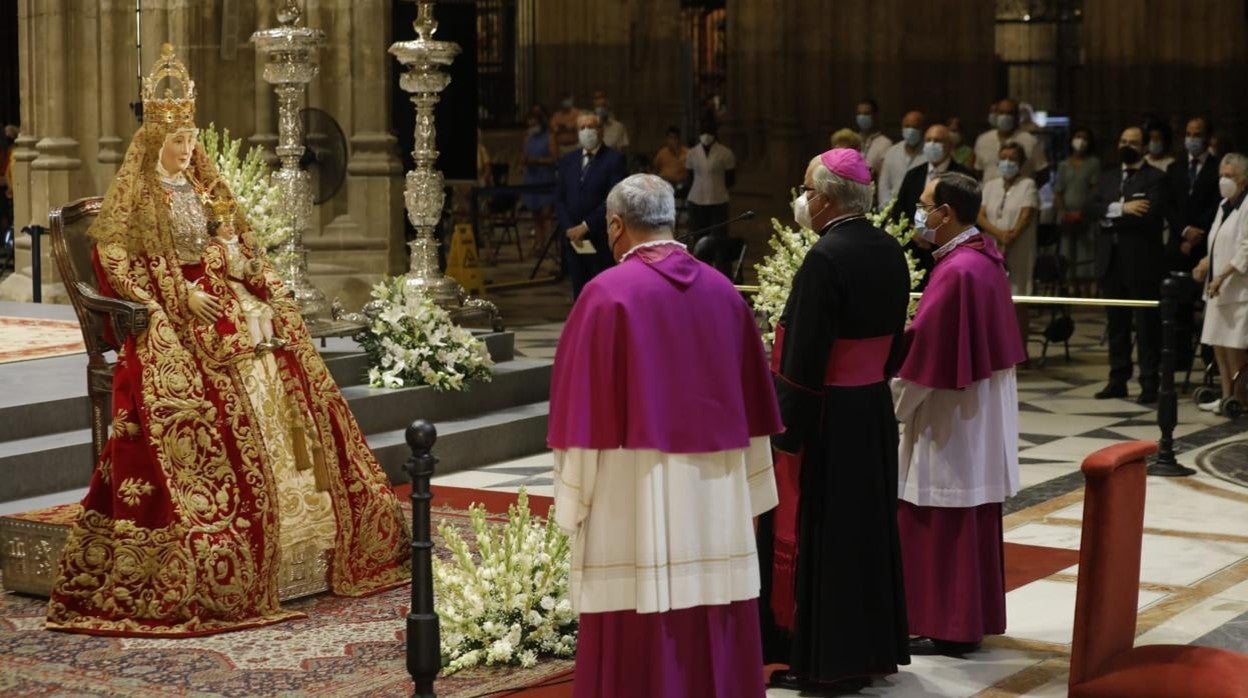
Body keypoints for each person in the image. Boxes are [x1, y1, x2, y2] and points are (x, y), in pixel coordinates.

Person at [46, 45, 410, 637]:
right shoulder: (135, 199)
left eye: (191, 139)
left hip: (221, 300)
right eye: (177, 141)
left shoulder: (200, 187)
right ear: (153, 142)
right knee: (201, 384)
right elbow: (114, 261)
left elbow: (232, 239)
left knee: (282, 351)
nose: (188, 150)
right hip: (171, 313)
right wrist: (175, 297)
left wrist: (236, 266)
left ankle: (311, 529)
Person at [549, 173, 782, 698]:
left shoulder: (605, 295)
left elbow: (582, 416)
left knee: (634, 612)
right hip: (716, 494)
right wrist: (753, 488)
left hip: (631, 493)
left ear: (615, 226)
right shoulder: (724, 293)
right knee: (713, 609)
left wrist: (573, 498)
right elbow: (753, 415)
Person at [758, 148, 911, 693]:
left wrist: (786, 430)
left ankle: (826, 659)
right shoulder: (890, 248)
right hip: (870, 407)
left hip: (828, 414)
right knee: (865, 529)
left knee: (827, 534)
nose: (800, 198)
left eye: (804, 188)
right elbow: (896, 341)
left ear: (824, 199)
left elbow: (803, 355)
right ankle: (867, 651)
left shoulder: (825, 258)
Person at [893, 172, 1026, 657]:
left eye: (925, 205)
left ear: (946, 213)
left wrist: (892, 406)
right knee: (964, 515)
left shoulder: (957, 273)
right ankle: (964, 620)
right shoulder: (982, 260)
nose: (920, 213)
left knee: (940, 516)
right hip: (976, 414)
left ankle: (945, 623)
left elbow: (926, 365)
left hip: (953, 420)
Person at [1085, 126, 1168, 403]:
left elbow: (1149, 214)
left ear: (1144, 146)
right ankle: (1117, 379)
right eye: (1123, 141)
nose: (1127, 145)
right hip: (1111, 260)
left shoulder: (1155, 178)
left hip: (1142, 261)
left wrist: (1111, 214)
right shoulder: (1108, 176)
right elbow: (1091, 207)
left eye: (1133, 141)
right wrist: (1123, 208)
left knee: (1146, 325)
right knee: (1116, 323)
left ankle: (1148, 382)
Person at [196, 185, 283, 360]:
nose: (231, 229)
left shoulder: (237, 246)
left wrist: (253, 266)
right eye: (226, 225)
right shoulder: (214, 248)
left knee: (263, 309)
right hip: (229, 289)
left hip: (242, 287)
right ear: (216, 228)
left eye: (232, 225)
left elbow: (244, 267)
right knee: (251, 313)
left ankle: (270, 339)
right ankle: (258, 344)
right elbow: (212, 273)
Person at [1193, 153, 1248, 414]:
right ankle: (1226, 395)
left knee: (1235, 347)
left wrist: (1222, 276)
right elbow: (1217, 243)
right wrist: (1204, 264)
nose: (1224, 181)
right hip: (1215, 288)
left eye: (1230, 176)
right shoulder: (1224, 204)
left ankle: (1241, 397)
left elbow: (1245, 249)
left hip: (1237, 289)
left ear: (1244, 180)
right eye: (1222, 176)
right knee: (1219, 345)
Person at [890, 124, 975, 289]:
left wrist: (936, 235)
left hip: (951, 251)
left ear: (950, 145)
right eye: (928, 140)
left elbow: (967, 215)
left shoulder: (964, 177)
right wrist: (915, 232)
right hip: (916, 253)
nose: (932, 144)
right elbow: (898, 211)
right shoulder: (913, 174)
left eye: (937, 140)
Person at [554, 111, 628, 298]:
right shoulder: (567, 161)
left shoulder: (614, 159)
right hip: (574, 240)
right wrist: (570, 228)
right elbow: (560, 199)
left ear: (600, 131)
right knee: (579, 291)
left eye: (591, 127)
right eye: (582, 127)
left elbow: (613, 198)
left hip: (600, 237)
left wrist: (585, 226)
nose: (586, 131)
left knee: (603, 290)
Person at [979, 142, 1040, 359]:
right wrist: (999, 235)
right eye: (1003, 157)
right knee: (990, 300)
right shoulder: (990, 185)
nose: (1007, 162)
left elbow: (1027, 214)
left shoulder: (1028, 185)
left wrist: (1010, 237)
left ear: (1021, 163)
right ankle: (993, 352)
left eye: (1012, 159)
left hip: (1020, 248)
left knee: (1018, 300)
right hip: (991, 247)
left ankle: (1020, 353)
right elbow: (980, 215)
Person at [685, 122, 737, 275]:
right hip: (696, 200)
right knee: (699, 239)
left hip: (718, 200)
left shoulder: (725, 153)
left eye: (708, 132)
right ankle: (699, 272)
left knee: (719, 240)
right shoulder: (692, 153)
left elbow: (730, 179)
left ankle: (722, 274)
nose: (706, 136)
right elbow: (689, 177)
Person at [1054, 127, 1102, 287]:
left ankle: (1086, 285)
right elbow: (1058, 191)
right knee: (1067, 249)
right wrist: (1063, 212)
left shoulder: (1093, 163)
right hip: (1066, 214)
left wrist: (1083, 212)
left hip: (1086, 213)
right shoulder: (1064, 164)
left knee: (1086, 250)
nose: (1081, 141)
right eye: (1078, 136)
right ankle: (1069, 283)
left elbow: (1095, 189)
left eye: (1084, 138)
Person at [974, 99, 1049, 184]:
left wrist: (1027, 190)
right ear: (996, 115)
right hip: (990, 195)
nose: (1005, 116)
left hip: (1020, 195)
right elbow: (979, 171)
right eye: (1001, 112)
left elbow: (1043, 174)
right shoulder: (983, 140)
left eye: (1010, 113)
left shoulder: (1030, 141)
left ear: (1017, 116)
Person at [520, 104, 558, 253]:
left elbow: (555, 158)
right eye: (529, 122)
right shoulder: (527, 137)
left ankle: (547, 243)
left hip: (545, 178)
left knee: (545, 213)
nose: (531, 125)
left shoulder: (550, 137)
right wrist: (523, 160)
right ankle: (538, 243)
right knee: (535, 213)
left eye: (534, 122)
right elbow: (523, 155)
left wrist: (538, 161)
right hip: (531, 178)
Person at [878, 110, 928, 209]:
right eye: (907, 126)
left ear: (922, 129)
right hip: (892, 208)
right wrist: (886, 208)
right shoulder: (892, 152)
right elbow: (884, 184)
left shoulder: (928, 154)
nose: (911, 131)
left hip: (919, 209)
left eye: (915, 127)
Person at [856, 98, 893, 178]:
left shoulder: (885, 143)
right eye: (859, 114)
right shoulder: (852, 140)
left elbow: (885, 174)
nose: (862, 117)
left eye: (866, 114)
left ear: (875, 116)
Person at [652, 126, 689, 197]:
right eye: (670, 138)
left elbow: (690, 173)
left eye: (675, 138)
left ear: (679, 139)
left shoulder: (687, 153)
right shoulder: (662, 153)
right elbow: (655, 170)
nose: (672, 141)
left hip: (681, 186)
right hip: (664, 185)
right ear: (666, 139)